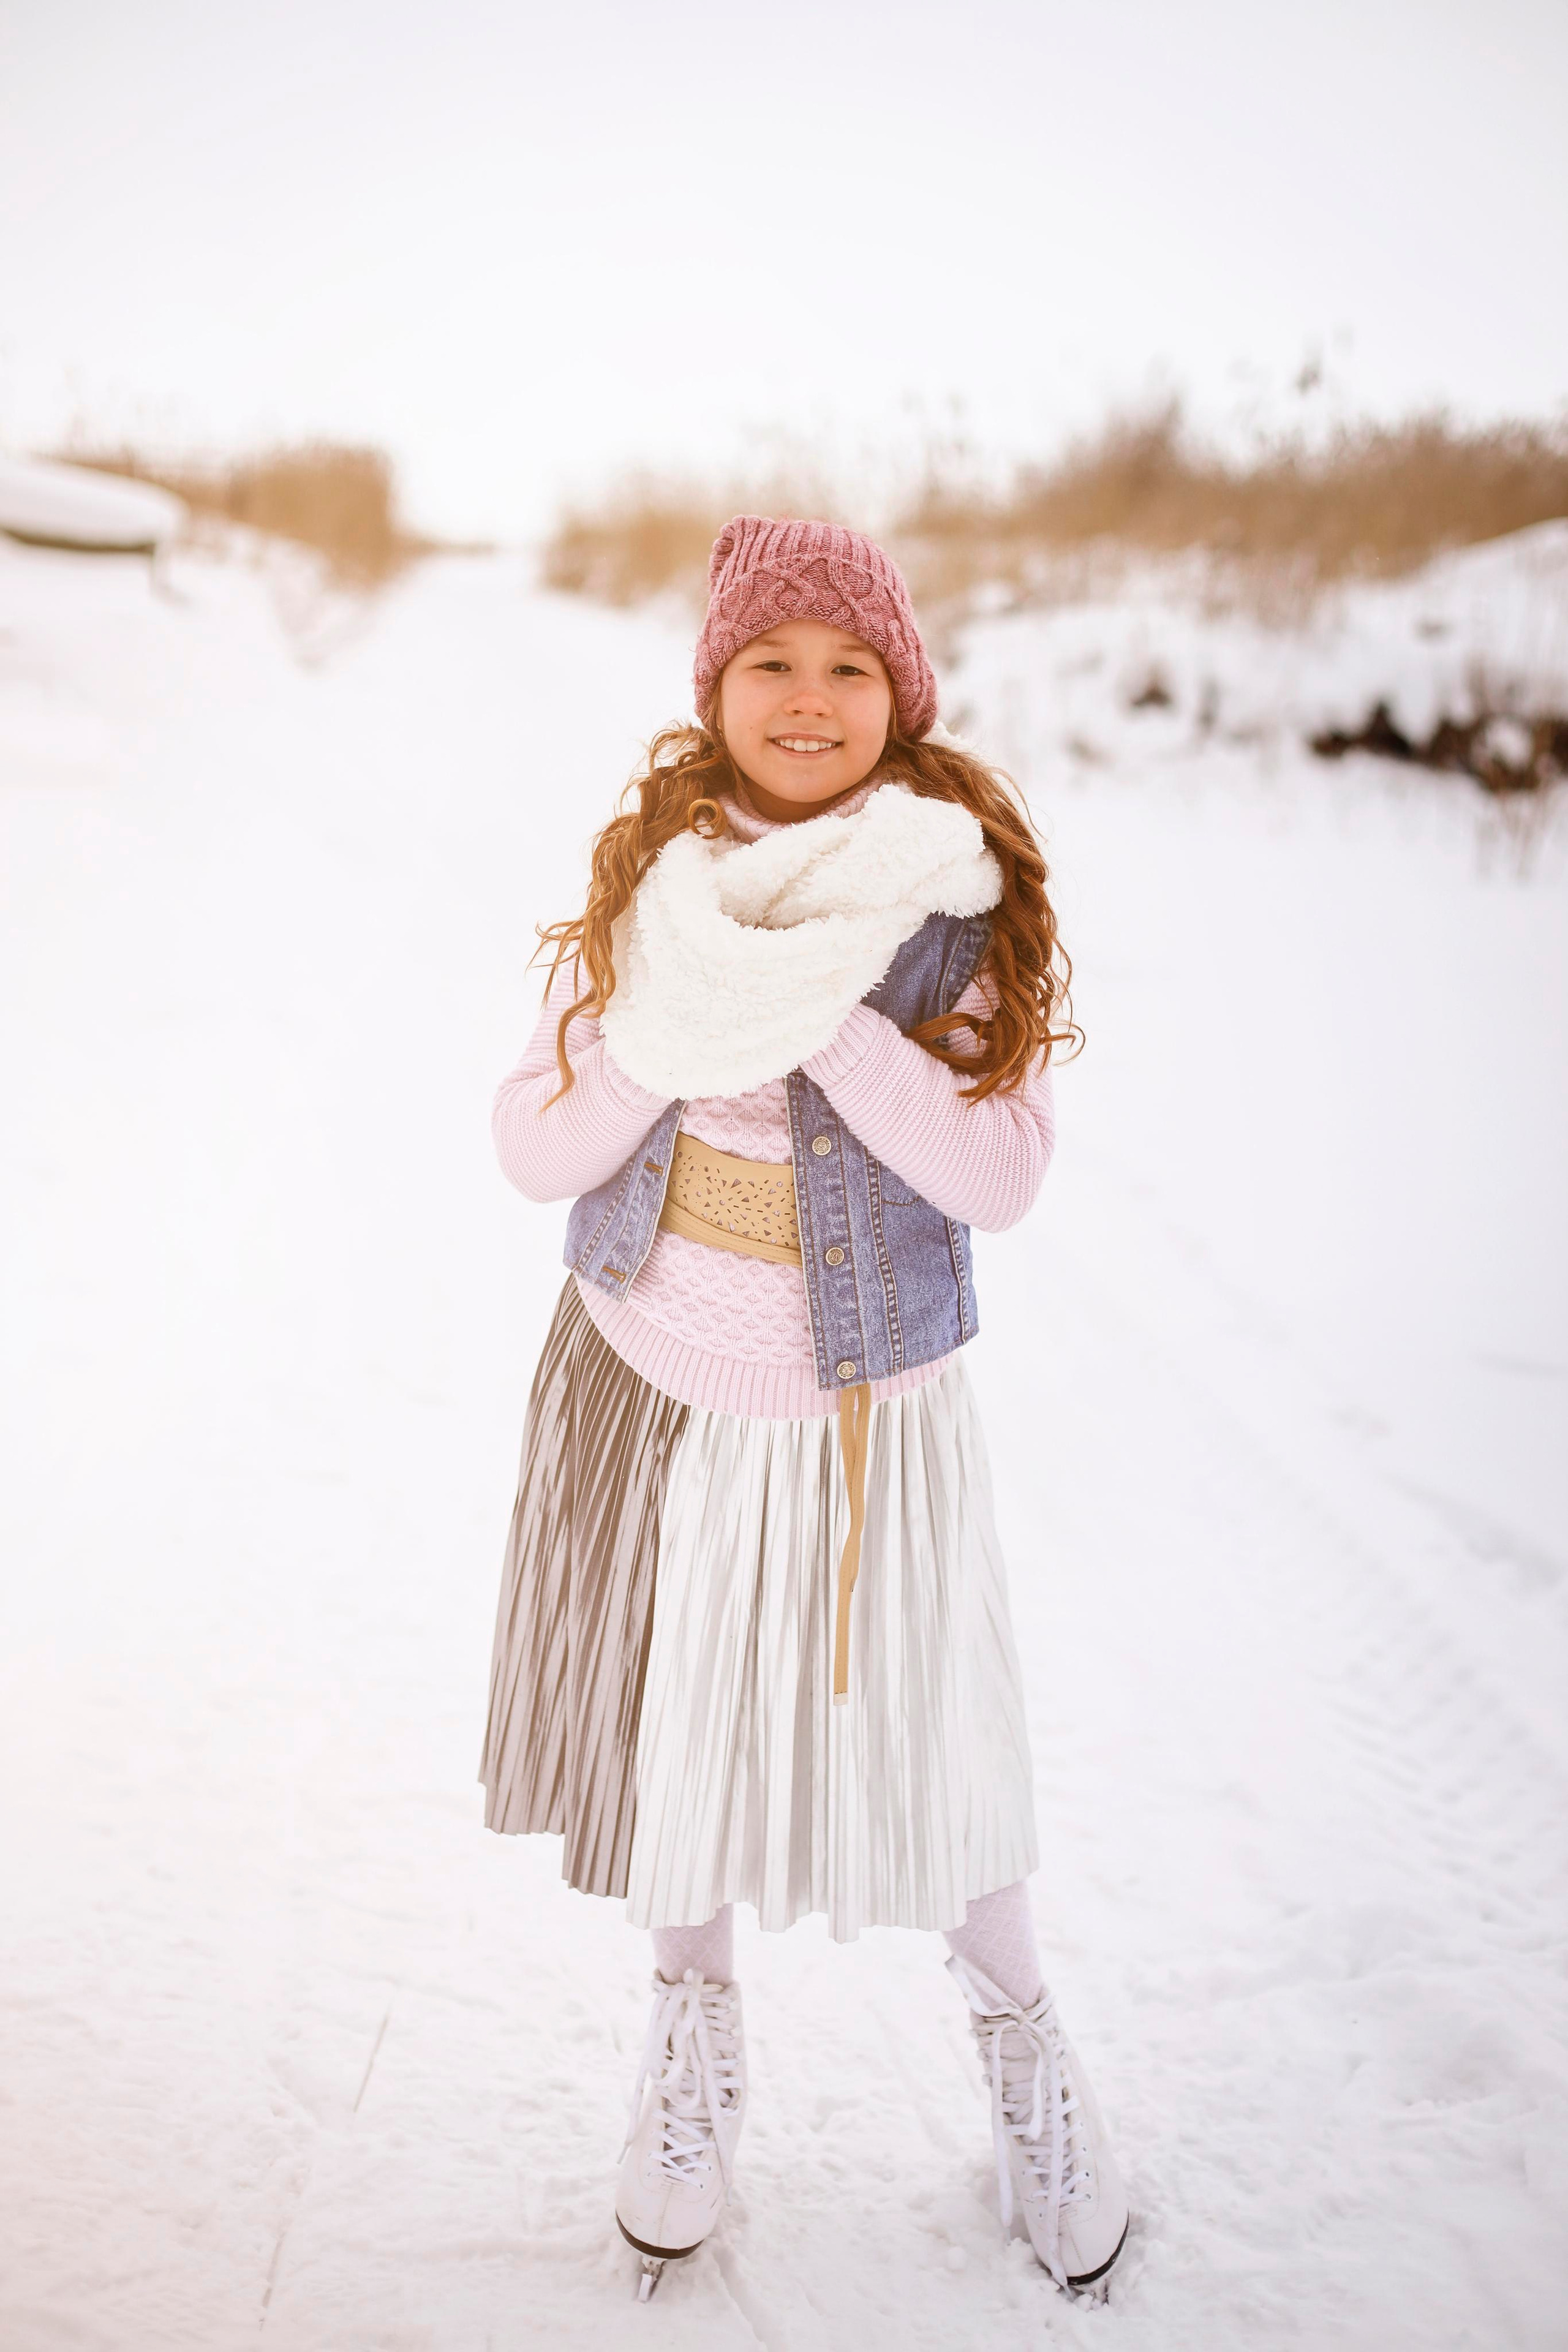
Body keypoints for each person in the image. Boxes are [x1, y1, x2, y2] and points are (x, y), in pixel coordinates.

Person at [481, 516, 1131, 2301]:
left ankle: (1018, 2037)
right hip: (663, 1383)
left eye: (852, 665)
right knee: (682, 1732)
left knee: (938, 1740)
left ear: (902, 697)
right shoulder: (651, 897)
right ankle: (691, 2034)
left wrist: (821, 1008)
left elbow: (997, 1179)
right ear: (715, 687)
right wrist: (677, 1015)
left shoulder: (947, 905)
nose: (810, 695)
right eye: (772, 659)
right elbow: (534, 1144)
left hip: (873, 1413)